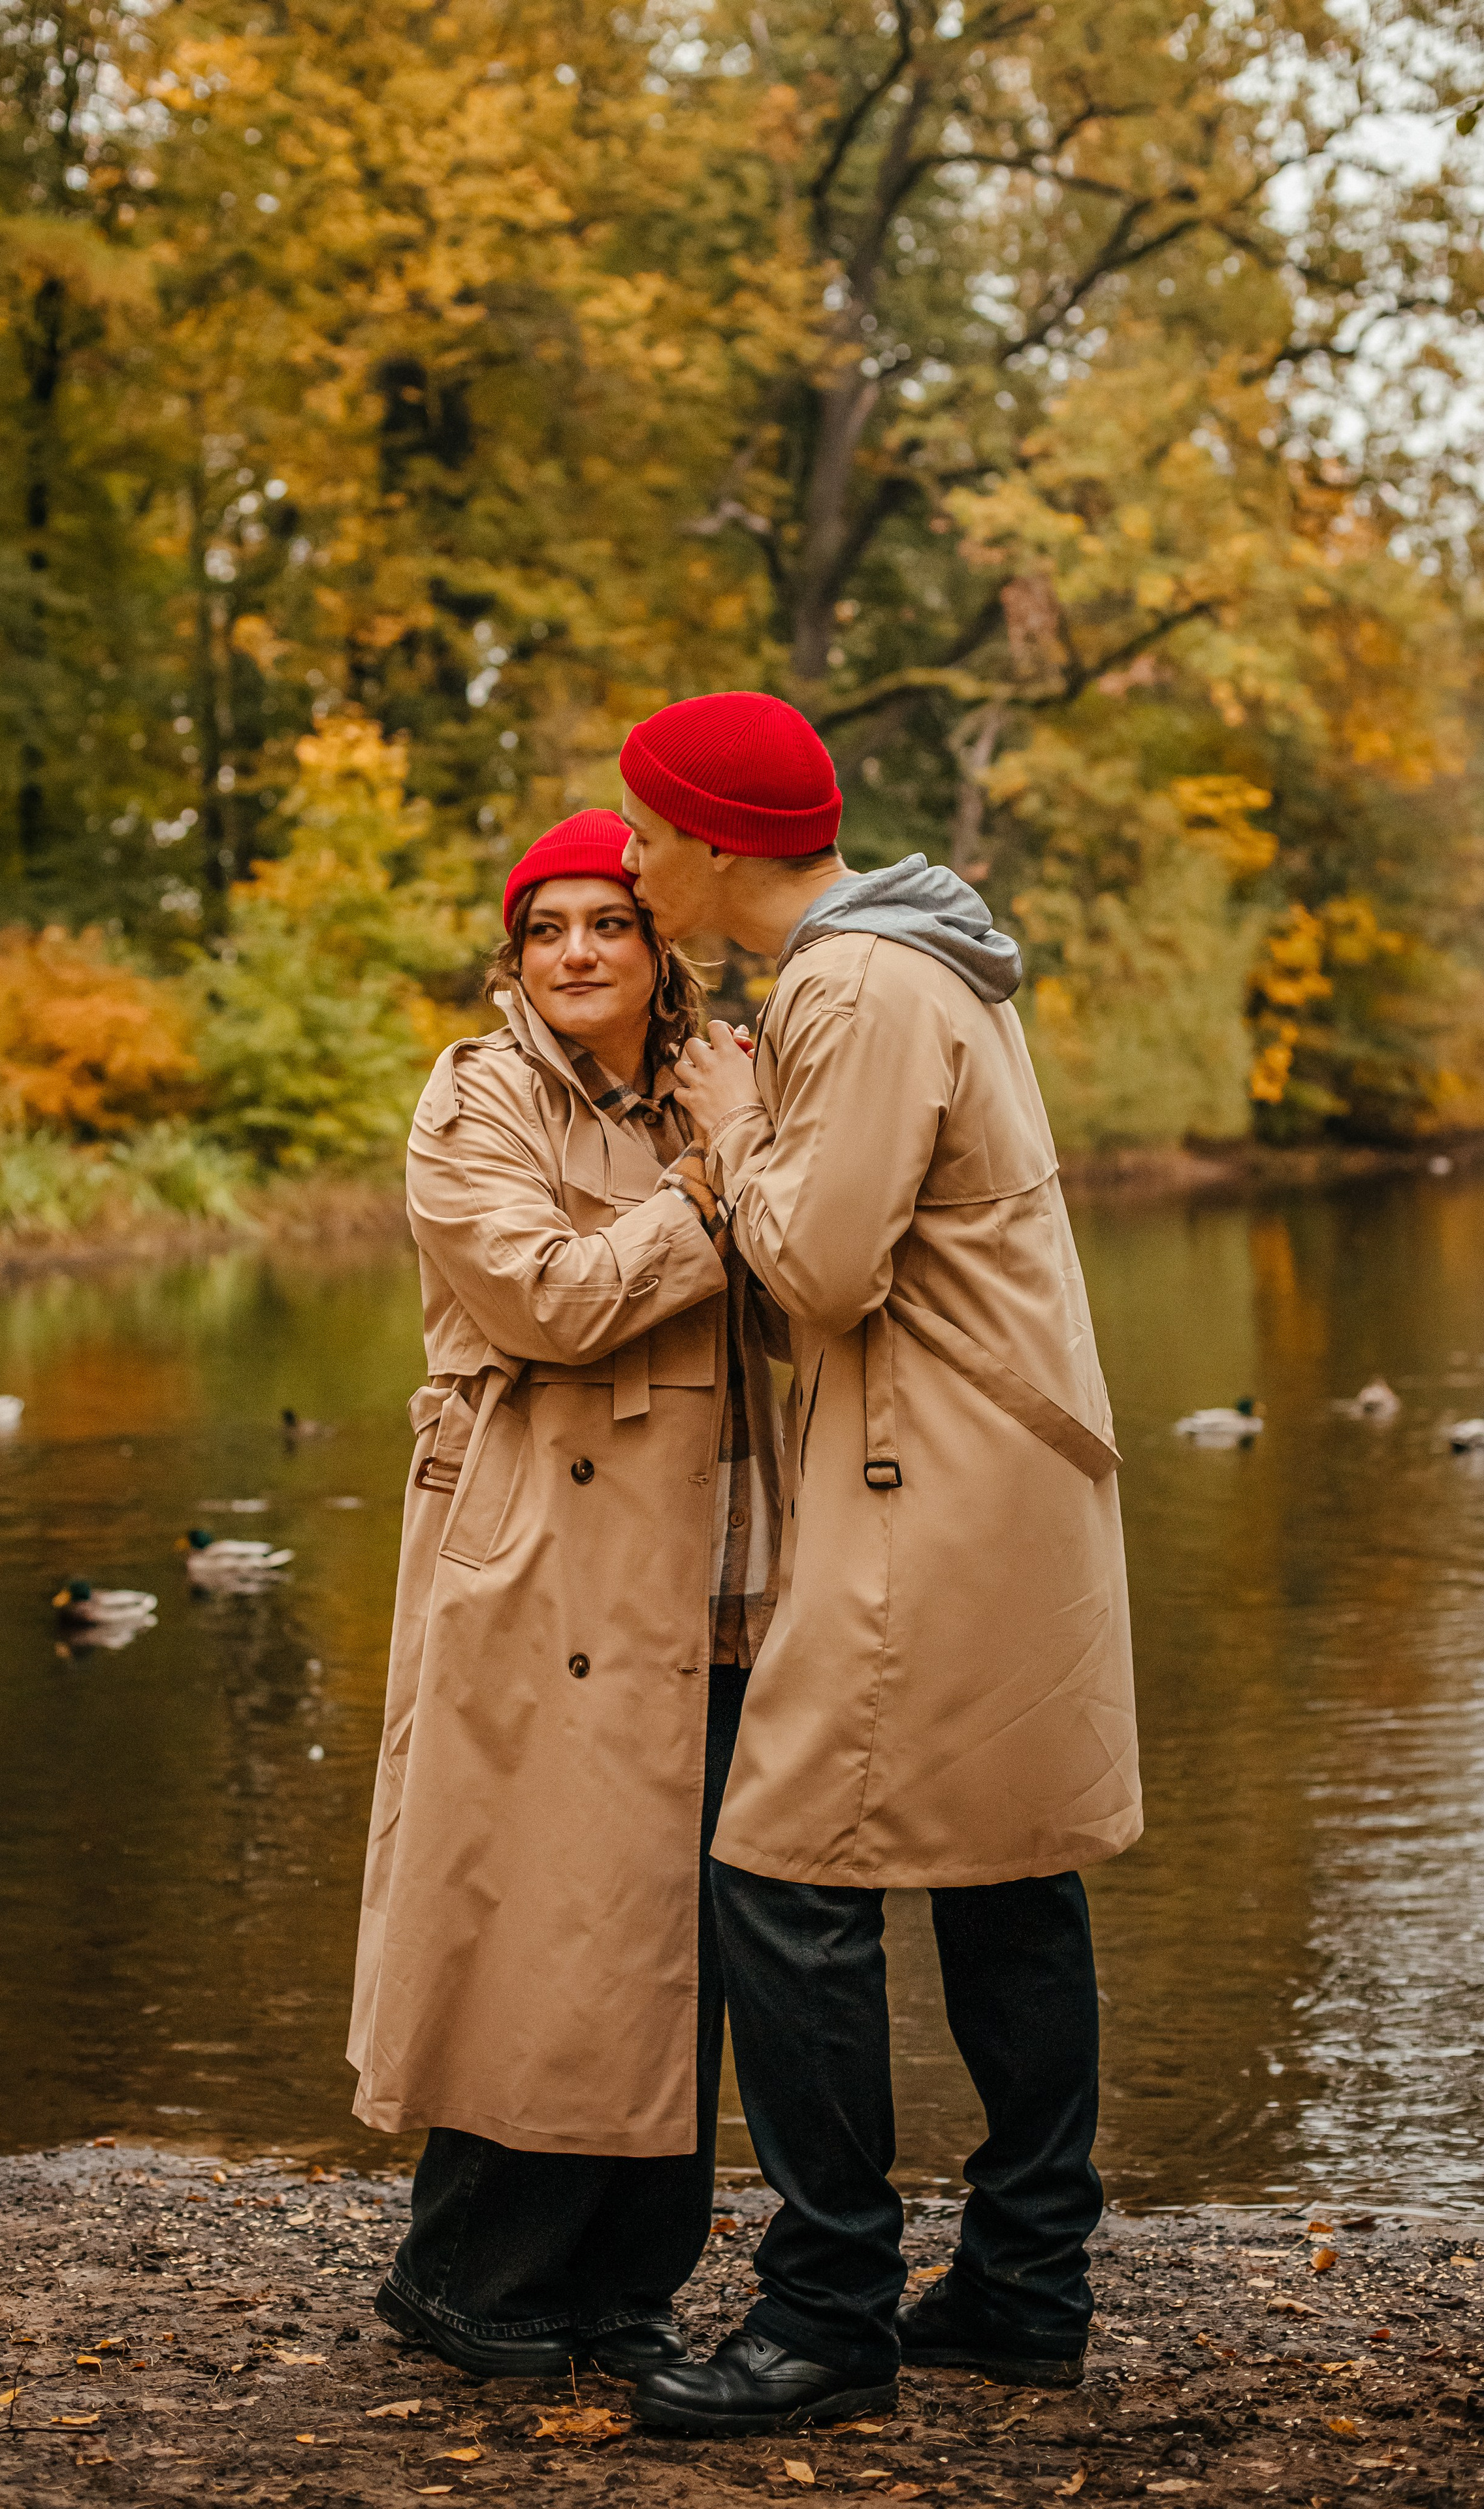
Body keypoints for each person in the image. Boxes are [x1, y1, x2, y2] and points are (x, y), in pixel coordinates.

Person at [613, 694, 1142, 2435]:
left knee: (777, 1870)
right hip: (1003, 1469)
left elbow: (822, 1273)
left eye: (644, 830)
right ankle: (1025, 2283)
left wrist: (723, 1118)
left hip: (932, 1479)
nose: (625, 855)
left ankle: (833, 2310)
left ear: (716, 846)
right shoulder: (924, 965)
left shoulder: (844, 983)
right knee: (1005, 1871)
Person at [346, 808, 787, 2382]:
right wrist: (720, 1190)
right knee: (541, 1909)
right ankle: (476, 2279)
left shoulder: (718, 1083)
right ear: (514, 955)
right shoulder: (475, 1097)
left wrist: (735, 1152)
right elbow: (543, 1296)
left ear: (659, 940)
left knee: (681, 1922)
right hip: (541, 1545)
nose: (578, 953)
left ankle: (621, 2283)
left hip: (721, 1557)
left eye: (609, 921)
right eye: (548, 929)